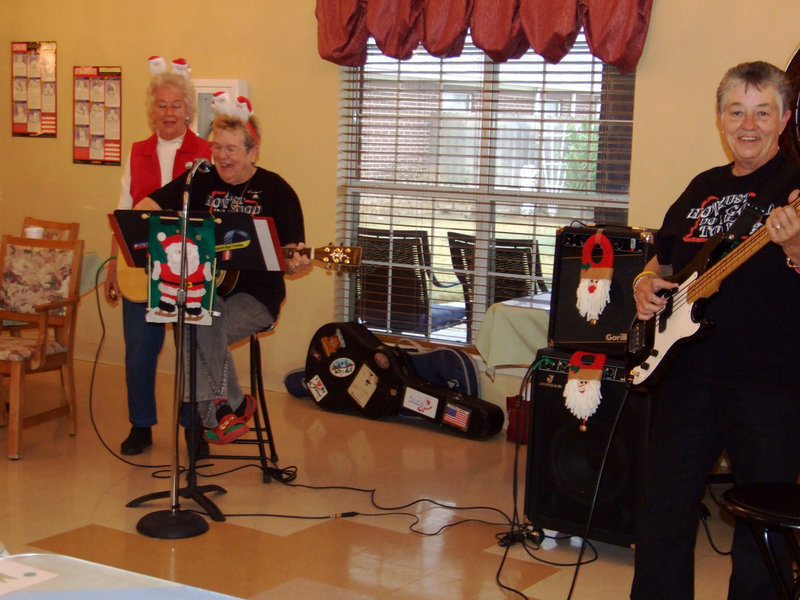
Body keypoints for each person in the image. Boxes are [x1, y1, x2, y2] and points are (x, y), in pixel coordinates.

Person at [630, 61, 800, 599]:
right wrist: (642, 283)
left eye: (762, 112)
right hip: (686, 376)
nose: (748, 125)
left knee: (760, 525)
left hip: (769, 384)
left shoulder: (794, 189)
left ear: (785, 118)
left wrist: (793, 245)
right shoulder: (703, 186)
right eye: (736, 112)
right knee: (661, 511)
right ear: (720, 119)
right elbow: (662, 262)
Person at [137, 95, 311, 445]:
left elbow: (292, 258)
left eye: (232, 149)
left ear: (252, 151)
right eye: (217, 147)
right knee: (200, 316)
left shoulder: (278, 191)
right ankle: (228, 406)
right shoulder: (198, 180)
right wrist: (148, 227)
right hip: (207, 291)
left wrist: (296, 262)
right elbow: (146, 206)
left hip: (256, 298)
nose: (222, 156)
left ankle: (218, 409)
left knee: (195, 324)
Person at [104, 58, 211, 455]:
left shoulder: (205, 152)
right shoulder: (137, 152)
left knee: (192, 353)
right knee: (139, 351)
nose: (168, 112)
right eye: (162, 105)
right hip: (142, 268)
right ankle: (141, 425)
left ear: (188, 110)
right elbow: (123, 212)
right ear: (153, 111)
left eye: (176, 105)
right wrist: (115, 264)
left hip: (191, 267)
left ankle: (193, 429)